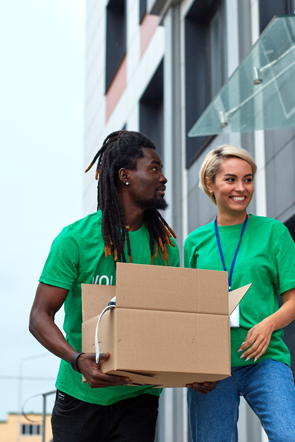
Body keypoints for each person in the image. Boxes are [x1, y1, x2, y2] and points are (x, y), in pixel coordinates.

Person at [29, 130, 191, 442]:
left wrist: (192, 372)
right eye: (154, 169)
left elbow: (170, 323)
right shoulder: (75, 240)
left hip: (138, 398)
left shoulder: (165, 248)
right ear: (125, 176)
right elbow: (39, 316)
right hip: (79, 397)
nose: (164, 178)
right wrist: (77, 360)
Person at [184, 145, 295, 442]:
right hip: (211, 367)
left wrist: (268, 324)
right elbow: (188, 312)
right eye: (230, 179)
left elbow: (293, 302)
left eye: (248, 179)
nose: (241, 188)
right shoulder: (194, 243)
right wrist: (188, 366)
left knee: (292, 437)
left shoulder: (273, 232)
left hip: (264, 360)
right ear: (210, 184)